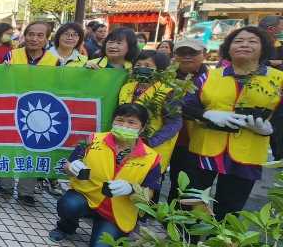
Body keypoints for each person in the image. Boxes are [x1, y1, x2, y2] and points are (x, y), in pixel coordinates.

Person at [183, 26, 283, 220]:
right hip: (205, 150)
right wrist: (207, 114)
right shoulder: (209, 77)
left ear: (264, 48)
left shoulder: (278, 80)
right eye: (238, 41)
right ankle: (186, 244)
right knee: (192, 202)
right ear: (228, 48)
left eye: (252, 41)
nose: (244, 44)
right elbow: (184, 106)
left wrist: (270, 130)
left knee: (229, 209)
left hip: (247, 154)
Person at [49, 103, 161, 247]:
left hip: (116, 212)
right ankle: (66, 227)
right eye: (120, 120)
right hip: (87, 198)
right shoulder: (93, 139)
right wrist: (72, 167)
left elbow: (148, 196)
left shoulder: (151, 157)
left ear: (142, 128)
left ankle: (113, 232)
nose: (124, 125)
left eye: (131, 122)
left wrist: (131, 189)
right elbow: (67, 164)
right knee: (68, 205)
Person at [0, 21, 61, 203]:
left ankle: (26, 191)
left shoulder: (54, 61)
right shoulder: (12, 55)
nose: (34, 38)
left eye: (40, 35)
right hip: (11, 108)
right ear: (25, 36)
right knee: (7, 145)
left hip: (39, 111)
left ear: (47, 39)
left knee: (33, 147)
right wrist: (1, 71)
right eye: (30, 34)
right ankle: (5, 185)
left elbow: (60, 87)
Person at [118, 51, 182, 203]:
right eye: (138, 65)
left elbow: (175, 122)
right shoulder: (128, 87)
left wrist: (151, 141)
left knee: (147, 185)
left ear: (160, 70)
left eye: (148, 65)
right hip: (125, 143)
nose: (142, 68)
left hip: (153, 147)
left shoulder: (167, 91)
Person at [166, 38, 208, 204]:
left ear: (203, 55)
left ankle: (177, 222)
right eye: (182, 53)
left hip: (191, 142)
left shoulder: (211, 79)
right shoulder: (165, 75)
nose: (187, 56)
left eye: (193, 53)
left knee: (185, 185)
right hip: (164, 138)